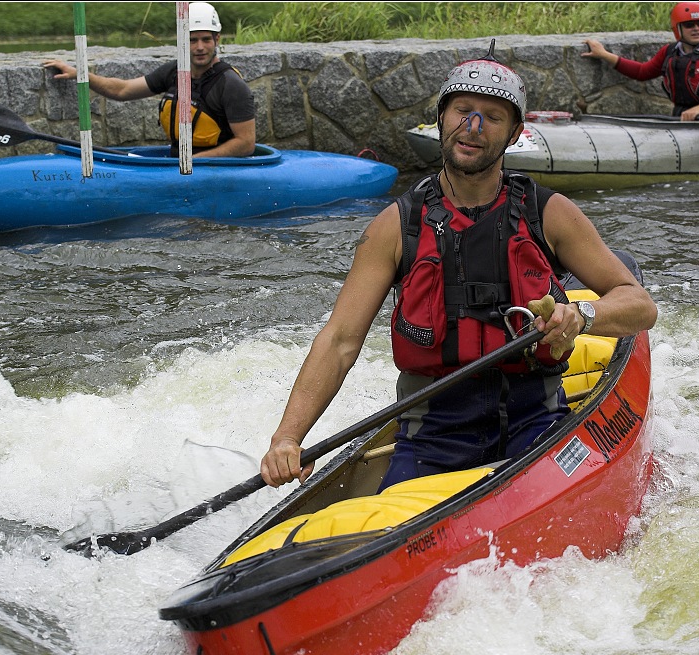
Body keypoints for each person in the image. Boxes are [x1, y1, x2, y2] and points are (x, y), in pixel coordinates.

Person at [260, 43, 657, 492]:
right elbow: (339, 341)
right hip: (431, 436)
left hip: (537, 420)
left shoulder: (549, 213)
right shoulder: (394, 228)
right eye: (462, 111)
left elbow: (639, 305)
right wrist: (288, 437)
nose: (473, 127)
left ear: (514, 133)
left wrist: (582, 316)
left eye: (491, 116)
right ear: (441, 119)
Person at [42, 2, 256, 157]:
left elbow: (246, 144)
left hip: (217, 169)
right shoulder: (174, 72)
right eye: (192, 40)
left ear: (217, 39)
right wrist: (82, 75)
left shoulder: (231, 85)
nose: (200, 47)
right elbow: (122, 90)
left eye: (206, 39)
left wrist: (196, 161)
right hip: (179, 163)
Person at [581, 1, 699, 121]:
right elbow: (642, 72)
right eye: (689, 25)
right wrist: (603, 54)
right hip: (683, 120)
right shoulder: (670, 52)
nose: (696, 28)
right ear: (678, 29)